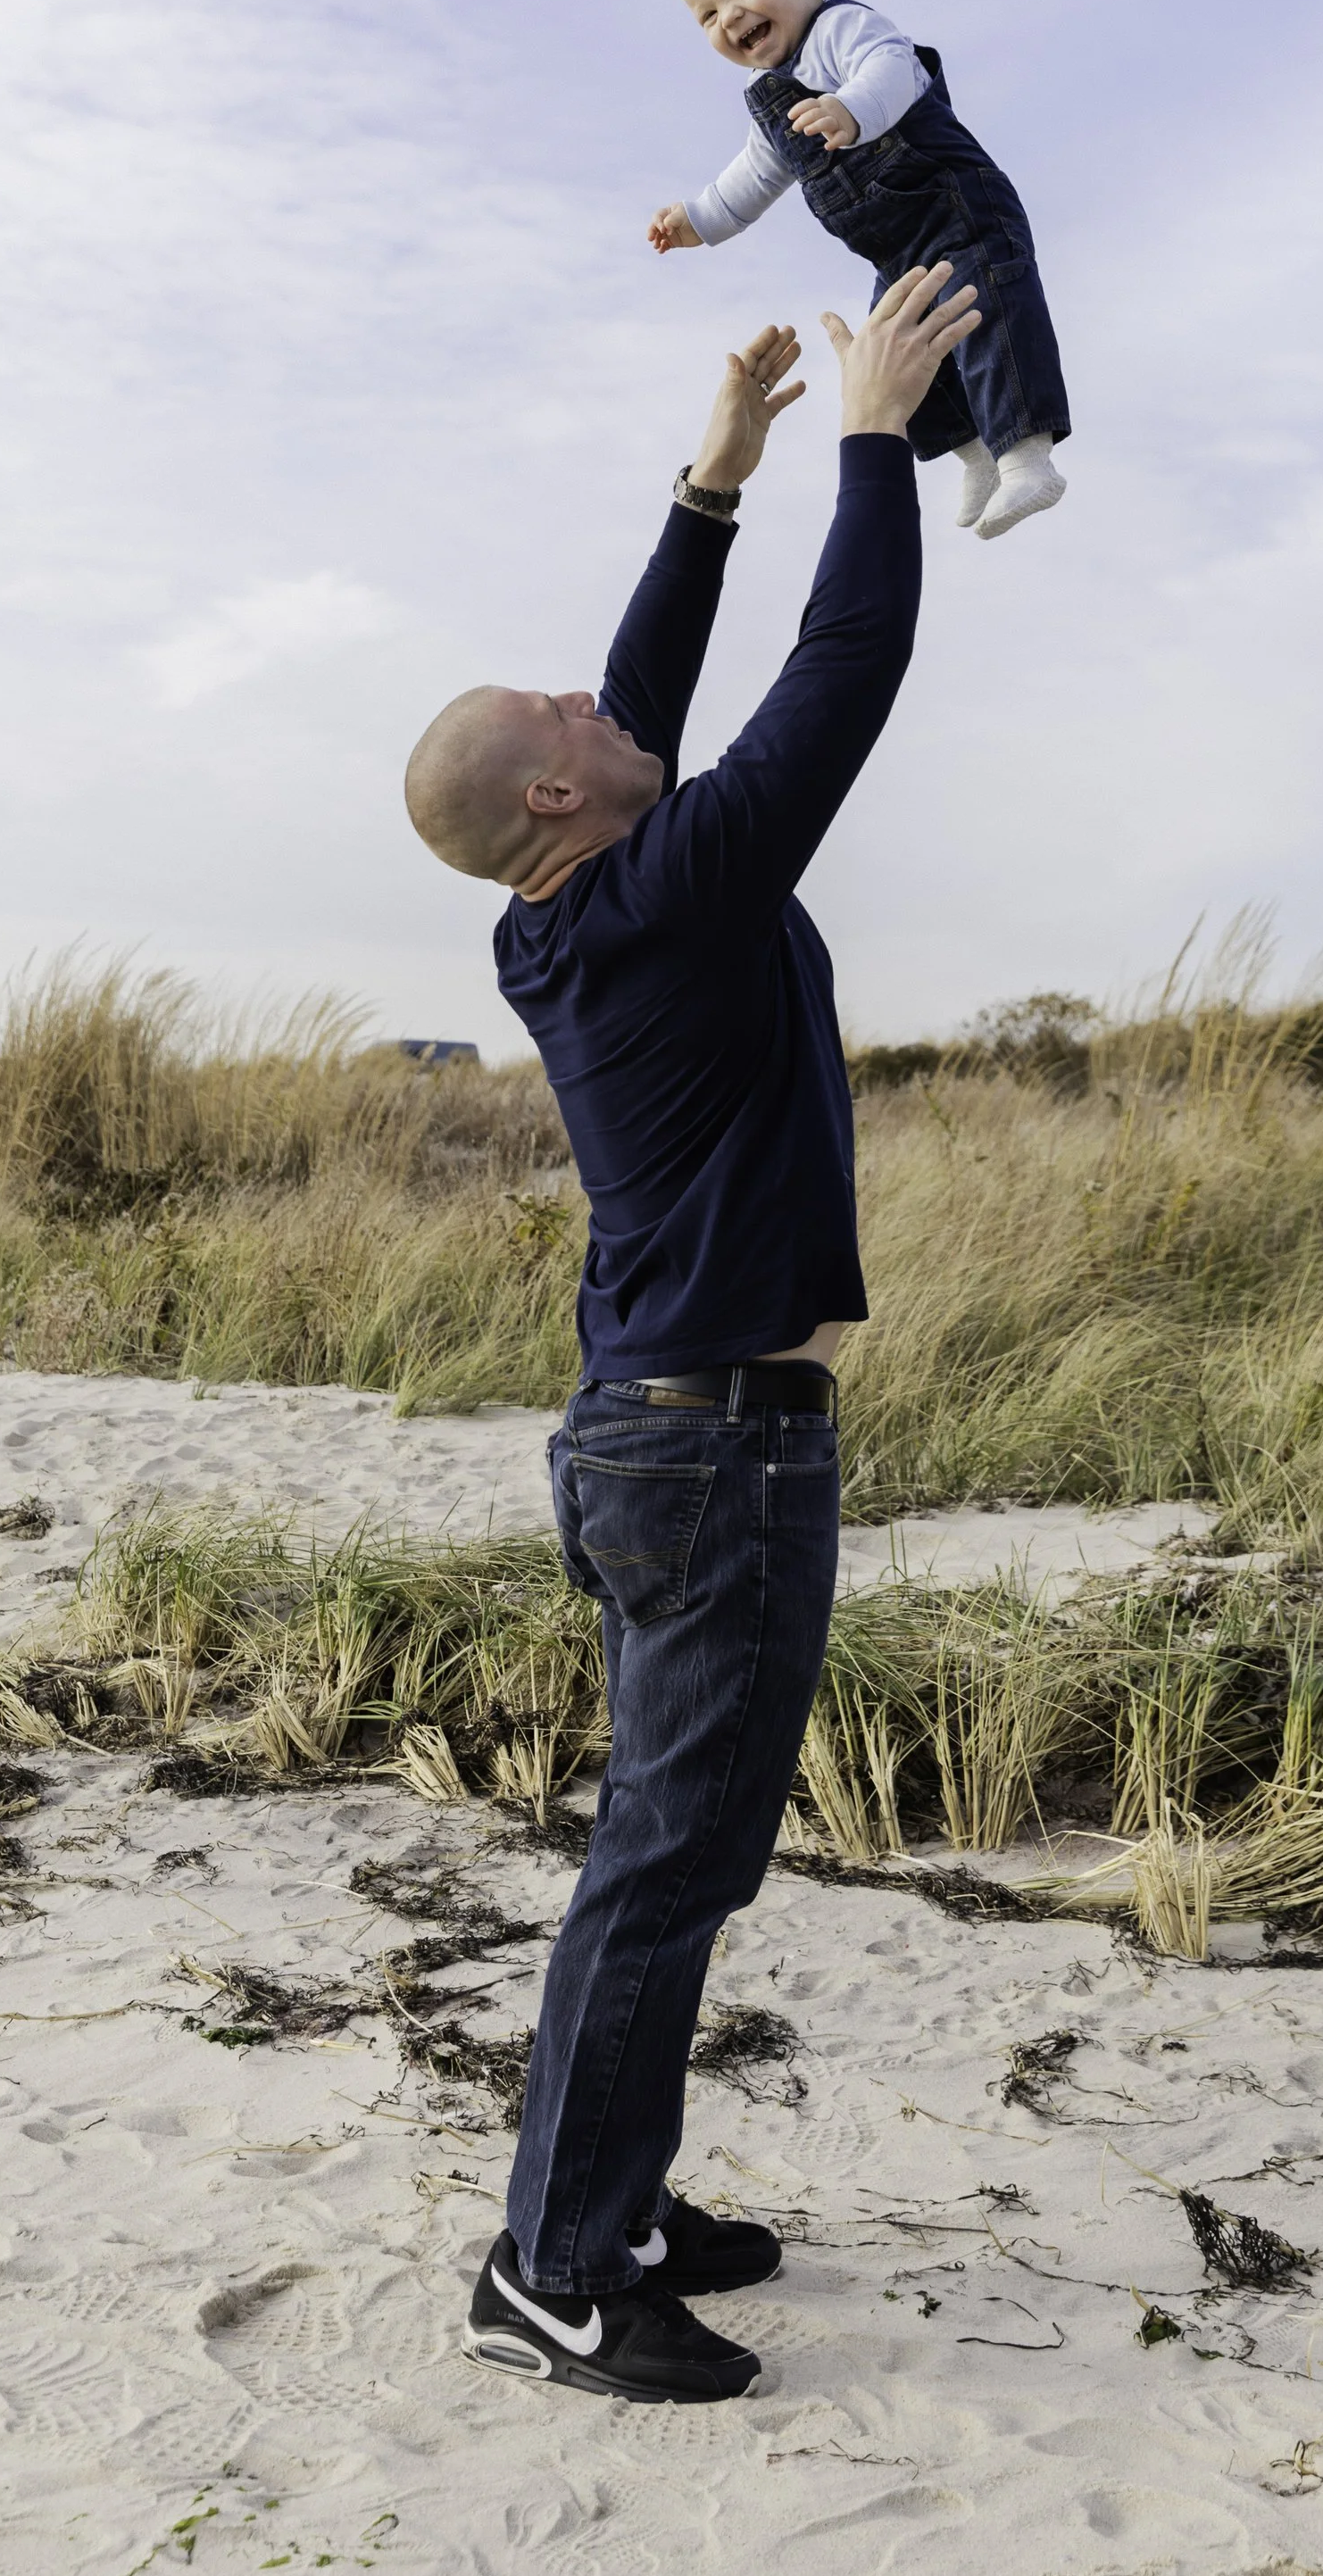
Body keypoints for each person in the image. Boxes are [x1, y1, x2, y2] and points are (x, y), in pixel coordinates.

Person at [403, 261, 981, 2404]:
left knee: (673, 1848)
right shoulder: (660, 891)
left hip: (666, 1430)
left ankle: (610, 2199)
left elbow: (633, 713)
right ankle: (556, 2268)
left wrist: (709, 482)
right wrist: (866, 431)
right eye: (559, 718)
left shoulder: (566, 902)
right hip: (710, 1450)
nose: (593, 700)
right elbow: (848, 668)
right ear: (559, 799)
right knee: (663, 1862)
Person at [647, 0, 1070, 542]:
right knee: (893, 347)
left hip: (955, 208)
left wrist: (850, 109)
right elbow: (753, 176)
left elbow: (891, 68)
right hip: (899, 249)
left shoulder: (842, 30)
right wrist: (698, 220)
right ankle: (977, 453)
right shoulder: (769, 98)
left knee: (989, 309)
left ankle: (1027, 456)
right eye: (706, 14)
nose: (728, 16)